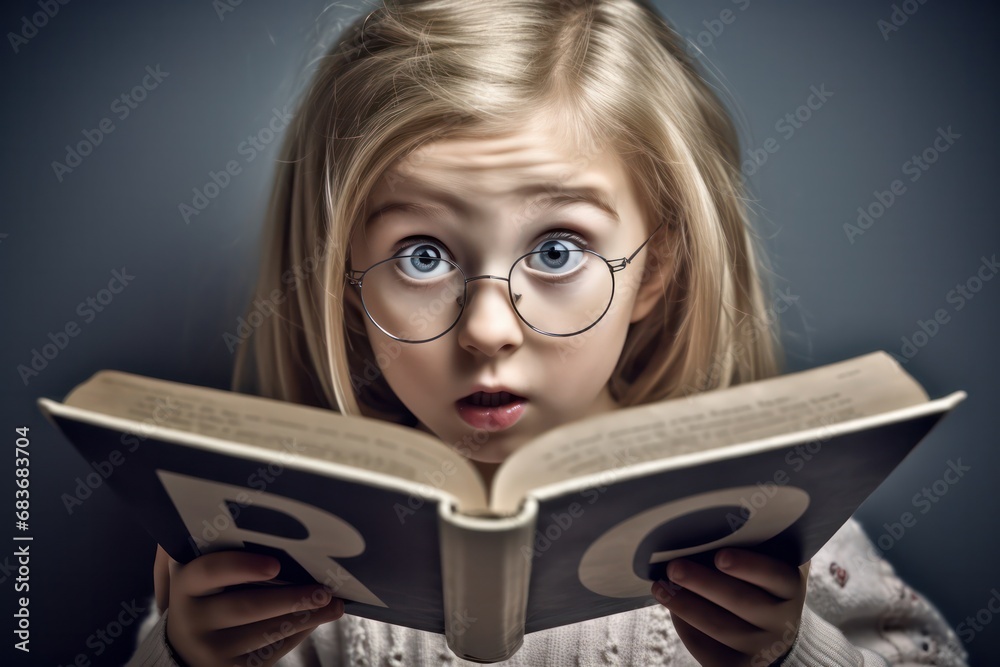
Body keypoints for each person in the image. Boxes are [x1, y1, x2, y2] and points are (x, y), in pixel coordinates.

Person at [128, 0, 968, 665]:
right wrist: (189, 655)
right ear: (344, 281)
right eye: (422, 256)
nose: (489, 329)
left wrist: (790, 651)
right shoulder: (285, 533)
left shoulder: (771, 517)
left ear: (658, 264)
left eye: (558, 250)